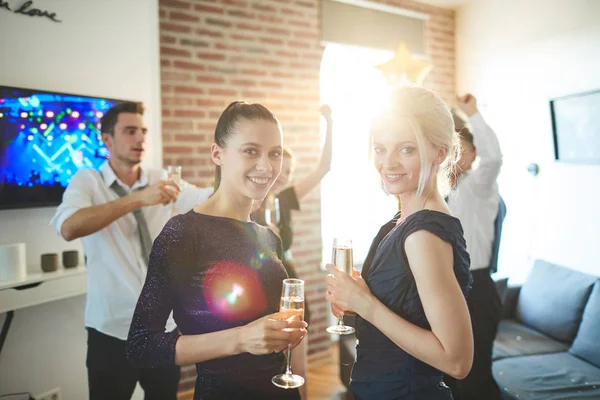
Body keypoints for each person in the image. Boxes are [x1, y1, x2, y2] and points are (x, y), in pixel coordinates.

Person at [126, 101, 308, 400]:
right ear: (217, 154)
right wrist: (241, 339)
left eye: (274, 153)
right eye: (251, 151)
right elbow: (141, 346)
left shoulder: (268, 237)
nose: (266, 166)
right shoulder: (183, 233)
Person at [49, 102, 213, 400]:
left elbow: (205, 198)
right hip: (111, 331)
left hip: (163, 328)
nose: (140, 139)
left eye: (143, 131)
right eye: (129, 131)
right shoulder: (88, 181)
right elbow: (69, 228)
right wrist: (138, 199)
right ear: (107, 139)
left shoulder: (161, 179)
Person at [325, 86, 474, 400]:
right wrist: (358, 302)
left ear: (440, 152)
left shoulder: (423, 236)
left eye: (406, 149)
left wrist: (367, 304)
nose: (387, 163)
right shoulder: (402, 219)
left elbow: (457, 360)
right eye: (380, 148)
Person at [445, 94, 504, 400]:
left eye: (461, 150)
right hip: (448, 287)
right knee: (450, 371)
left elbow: (494, 157)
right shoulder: (442, 192)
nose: (455, 156)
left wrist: (472, 113)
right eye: (451, 150)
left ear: (472, 154)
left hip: (477, 289)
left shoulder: (480, 186)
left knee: (476, 373)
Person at [252, 104, 333, 325]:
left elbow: (323, 168)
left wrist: (330, 123)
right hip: (258, 279)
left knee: (299, 323)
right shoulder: (250, 199)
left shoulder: (286, 198)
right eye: (280, 168)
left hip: (286, 273)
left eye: (288, 171)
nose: (282, 175)